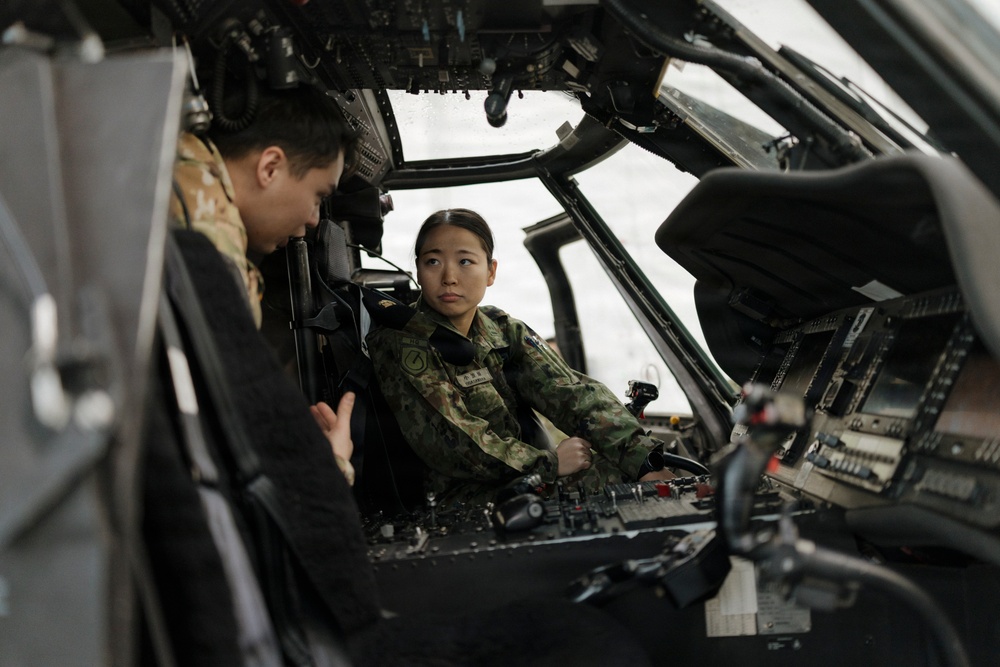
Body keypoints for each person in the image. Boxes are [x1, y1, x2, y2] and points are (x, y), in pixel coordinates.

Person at [368, 208, 675, 506]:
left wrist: (643, 460)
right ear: (418, 271)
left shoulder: (501, 329)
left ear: (490, 272)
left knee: (638, 475)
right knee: (618, 483)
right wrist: (549, 464)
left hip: (522, 479)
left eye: (465, 261)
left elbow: (572, 394)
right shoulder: (404, 343)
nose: (449, 277)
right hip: (459, 499)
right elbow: (457, 445)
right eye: (433, 261)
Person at [168, 82, 358, 483]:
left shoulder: (175, 162)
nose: (312, 219)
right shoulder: (209, 240)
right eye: (318, 196)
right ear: (270, 166)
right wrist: (330, 466)